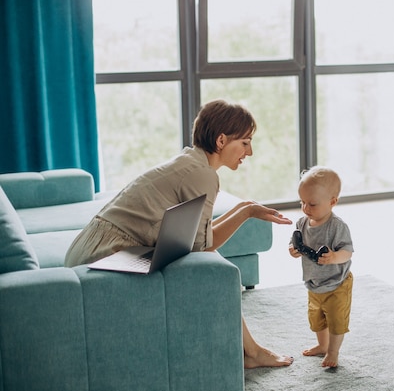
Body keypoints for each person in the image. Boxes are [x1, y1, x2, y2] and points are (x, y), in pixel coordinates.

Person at [65, 99, 294, 369]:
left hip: (91, 248)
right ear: (221, 140)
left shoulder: (192, 162)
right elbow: (202, 247)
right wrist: (245, 213)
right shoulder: (202, 175)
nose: (250, 151)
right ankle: (252, 351)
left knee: (211, 260)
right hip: (103, 256)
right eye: (245, 142)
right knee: (212, 265)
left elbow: (200, 239)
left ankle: (250, 350)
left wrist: (246, 208)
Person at [288, 166, 354, 368]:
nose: (306, 208)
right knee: (317, 320)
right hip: (314, 283)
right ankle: (322, 345)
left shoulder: (337, 226)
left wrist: (334, 257)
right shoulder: (302, 222)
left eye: (312, 204)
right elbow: (295, 241)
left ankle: (333, 352)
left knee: (336, 321)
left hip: (337, 284)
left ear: (332, 202)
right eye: (302, 202)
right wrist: (293, 249)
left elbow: (348, 251)